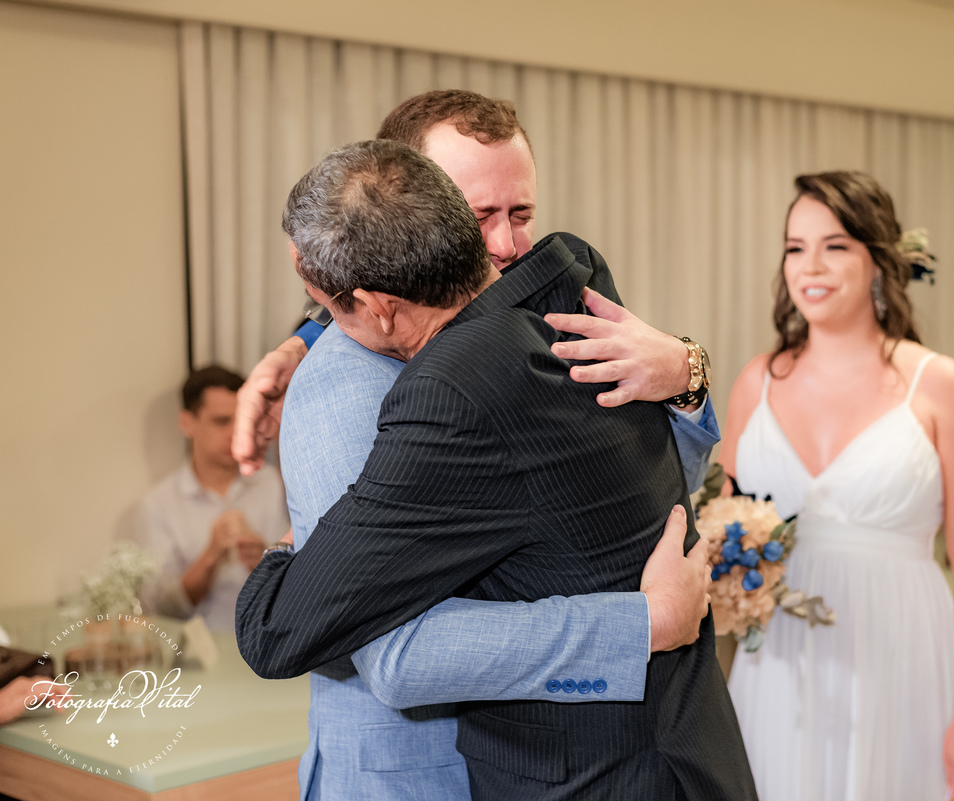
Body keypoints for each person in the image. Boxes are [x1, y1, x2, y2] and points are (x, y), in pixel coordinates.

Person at [235, 140, 753, 800]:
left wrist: (299, 545)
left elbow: (276, 630)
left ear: (381, 304)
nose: (505, 238)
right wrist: (305, 336)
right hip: (690, 752)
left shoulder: (449, 390)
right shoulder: (574, 278)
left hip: (598, 777)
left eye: (324, 303)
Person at [232, 91, 720, 493]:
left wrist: (685, 376)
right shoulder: (347, 375)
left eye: (522, 215)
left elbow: (675, 483)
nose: (506, 245)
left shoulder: (566, 310)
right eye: (477, 217)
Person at [720, 171, 954, 801]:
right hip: (781, 663)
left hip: (901, 652)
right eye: (795, 247)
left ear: (879, 261)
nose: (810, 266)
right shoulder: (754, 383)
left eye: (835, 245)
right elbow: (723, 523)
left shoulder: (939, 385)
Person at [134, 366, 289, 631]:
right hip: (197, 664)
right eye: (221, 421)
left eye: (241, 420)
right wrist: (210, 556)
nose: (235, 432)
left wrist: (266, 560)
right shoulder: (159, 504)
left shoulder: (273, 483)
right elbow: (159, 609)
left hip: (272, 646)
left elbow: (304, 583)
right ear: (187, 423)